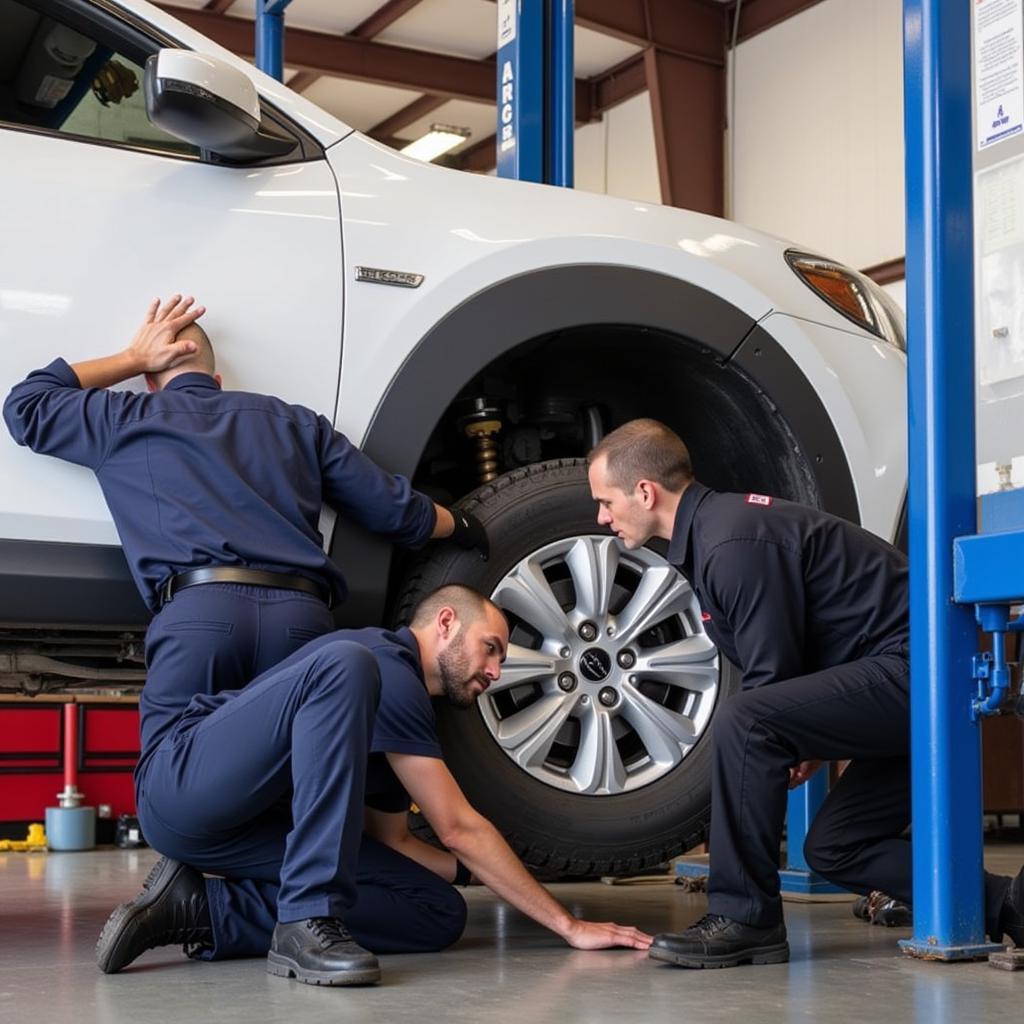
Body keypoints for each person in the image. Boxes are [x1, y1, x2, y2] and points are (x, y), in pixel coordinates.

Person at [586, 418, 1024, 969]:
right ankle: (1008, 904)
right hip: (893, 677)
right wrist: (803, 736)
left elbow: (772, 679)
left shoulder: (731, 541)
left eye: (605, 501)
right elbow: (789, 671)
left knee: (746, 721)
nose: (602, 517)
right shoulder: (716, 535)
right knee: (833, 847)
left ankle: (746, 918)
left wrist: (790, 739)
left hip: (923, 673)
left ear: (645, 492)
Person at [3, 295, 489, 776]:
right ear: (217, 381)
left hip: (200, 617)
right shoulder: (296, 422)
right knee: (300, 781)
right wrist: (463, 523)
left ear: (151, 382)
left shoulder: (124, 418)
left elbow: (25, 405)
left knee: (175, 780)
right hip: (301, 620)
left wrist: (130, 357)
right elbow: (394, 509)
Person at [94, 584, 652, 985]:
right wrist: (567, 924)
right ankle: (304, 921)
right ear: (446, 622)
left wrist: (481, 874)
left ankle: (200, 909)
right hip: (183, 785)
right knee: (345, 662)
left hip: (243, 831)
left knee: (436, 912)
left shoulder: (404, 713)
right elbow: (456, 828)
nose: (496, 671)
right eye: (493, 647)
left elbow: (396, 842)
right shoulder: (385, 665)